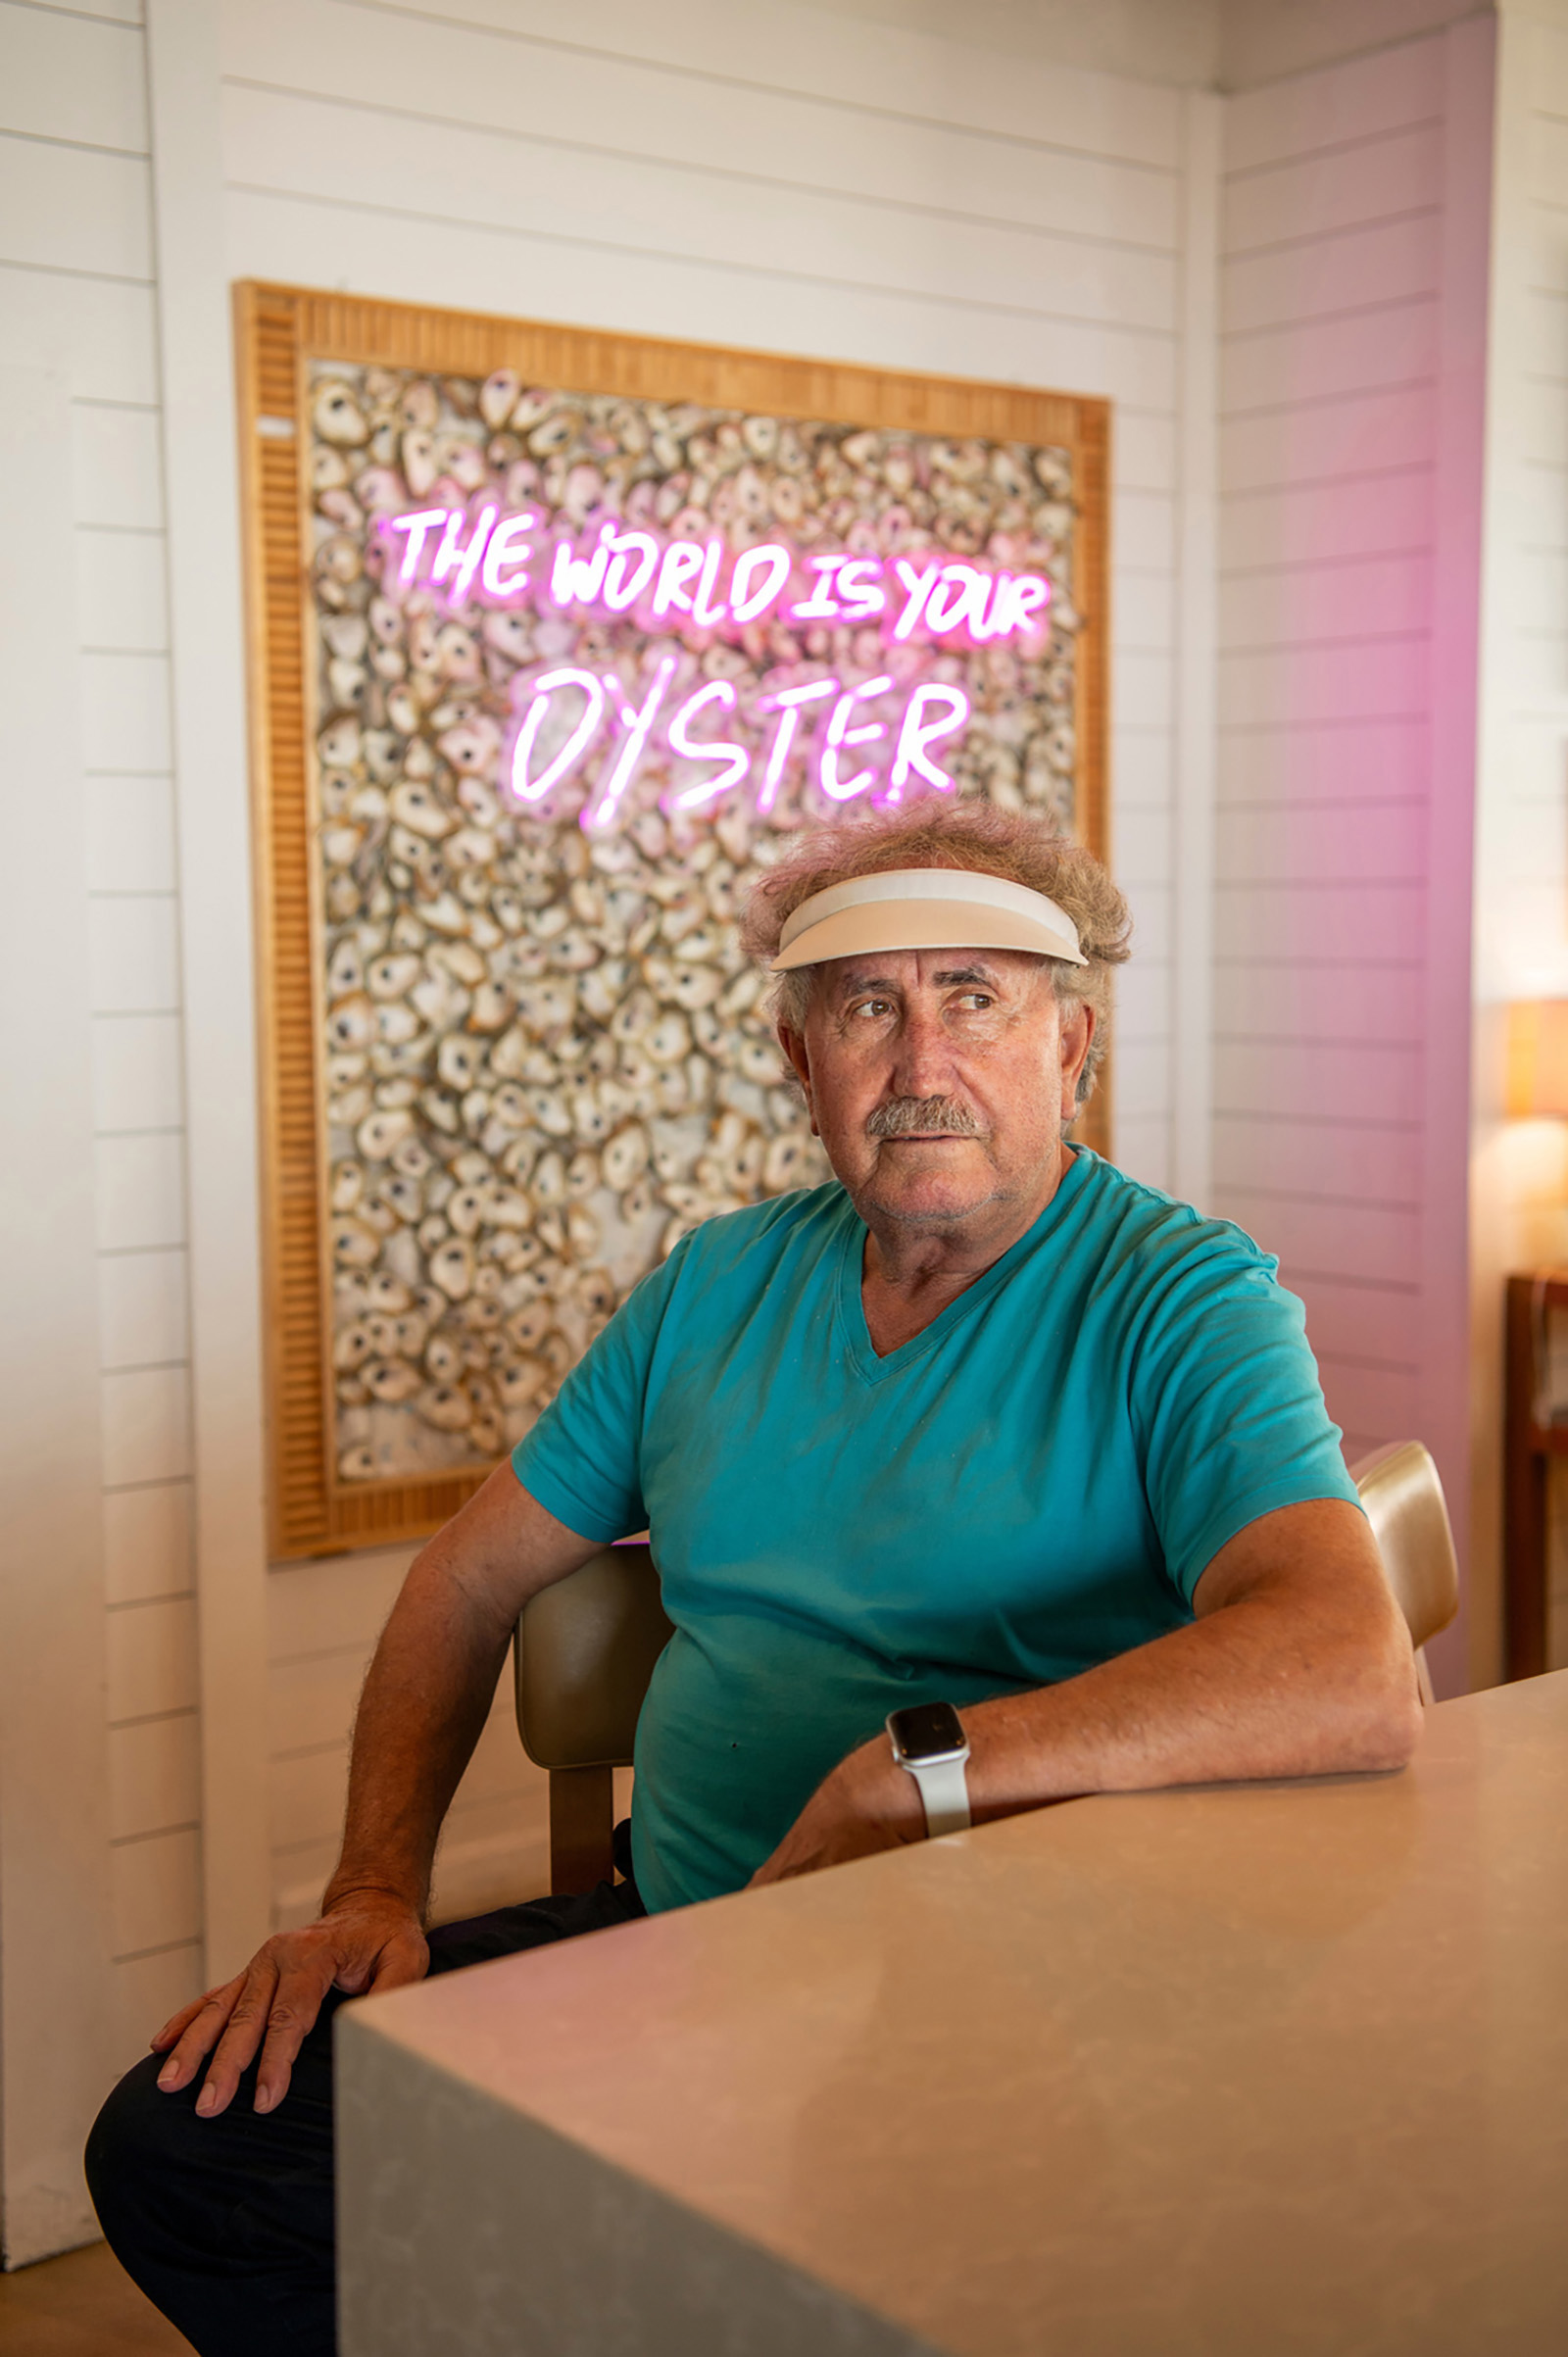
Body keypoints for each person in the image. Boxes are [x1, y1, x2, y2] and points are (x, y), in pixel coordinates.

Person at [87, 799, 1420, 2355]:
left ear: (1074, 1045)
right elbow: (461, 1582)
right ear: (802, 1064)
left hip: (1011, 2011)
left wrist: (906, 1777)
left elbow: (1349, 1660)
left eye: (974, 998)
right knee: (187, 2146)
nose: (921, 1064)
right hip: (679, 1939)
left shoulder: (1181, 1297)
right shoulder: (715, 1283)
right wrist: (372, 1888)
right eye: (868, 1006)